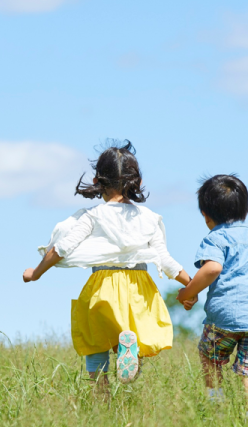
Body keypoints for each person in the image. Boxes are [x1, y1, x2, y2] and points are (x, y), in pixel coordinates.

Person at [23, 141, 191, 388]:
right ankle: (128, 350)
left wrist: (35, 273)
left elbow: (62, 248)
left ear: (96, 180)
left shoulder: (93, 216)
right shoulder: (149, 218)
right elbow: (165, 260)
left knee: (96, 345)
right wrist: (191, 286)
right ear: (137, 182)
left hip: (103, 286)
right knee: (134, 345)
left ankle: (100, 402)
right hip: (139, 289)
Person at [177, 175, 248, 423]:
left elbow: (212, 269)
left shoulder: (215, 238)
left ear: (206, 215)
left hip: (222, 318)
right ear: (245, 210)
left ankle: (216, 407)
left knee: (210, 358)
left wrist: (187, 292)